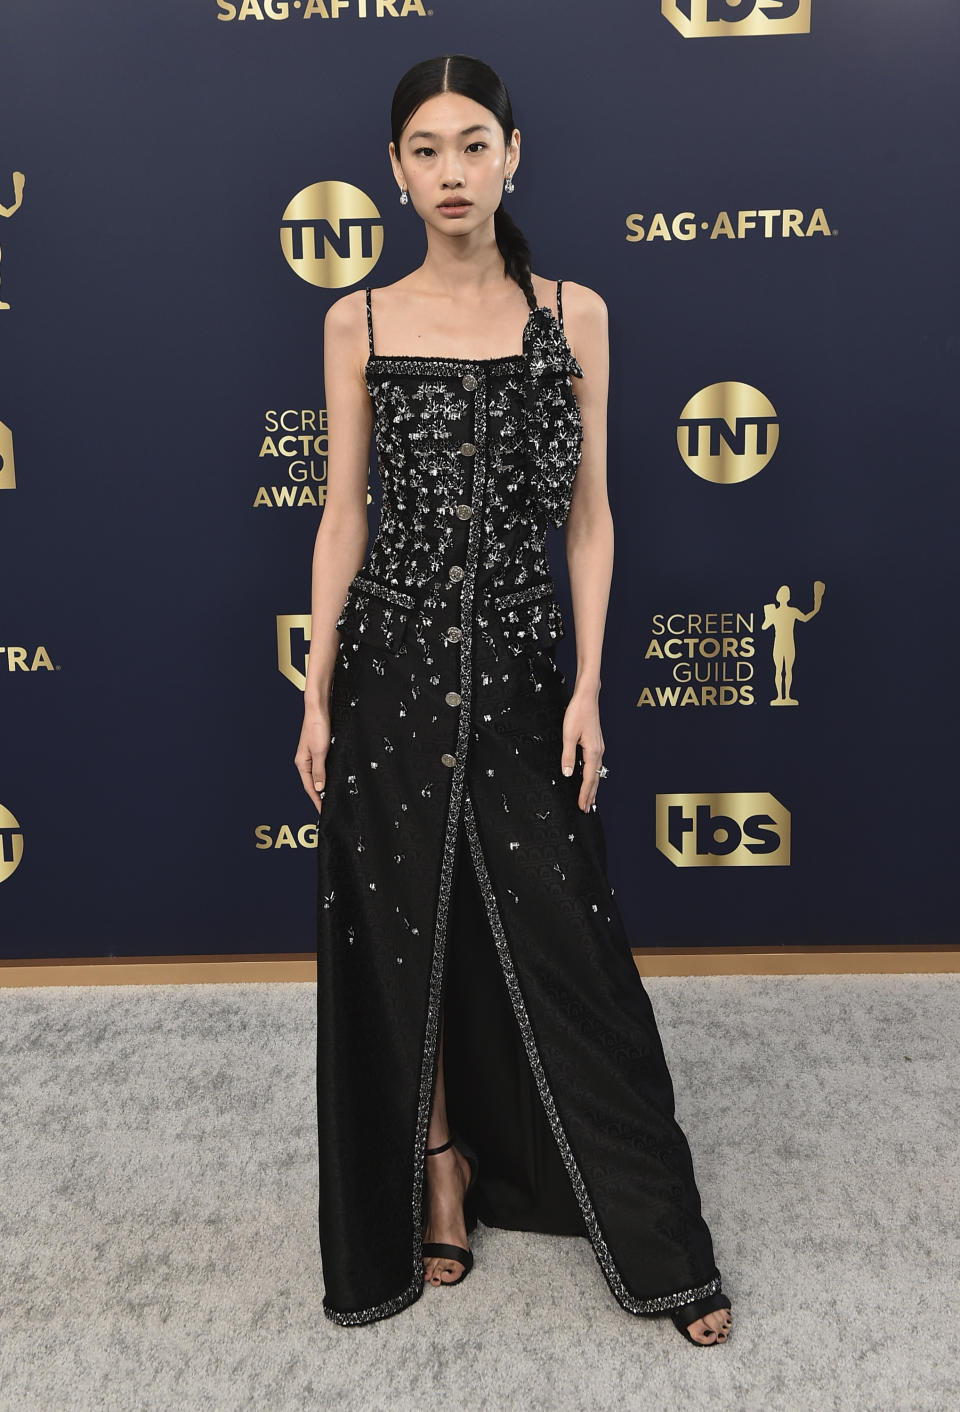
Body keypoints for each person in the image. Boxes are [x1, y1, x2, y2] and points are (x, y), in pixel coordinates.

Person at [295, 53, 733, 1346]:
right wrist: (316, 696)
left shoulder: (575, 313)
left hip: (529, 671)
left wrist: (591, 687)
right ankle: (437, 1172)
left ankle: (656, 1237)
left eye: (471, 144)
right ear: (394, 169)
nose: (449, 172)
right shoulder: (359, 320)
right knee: (397, 936)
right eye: (425, 149)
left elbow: (590, 521)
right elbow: (340, 520)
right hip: (389, 670)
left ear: (514, 154)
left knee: (569, 947)